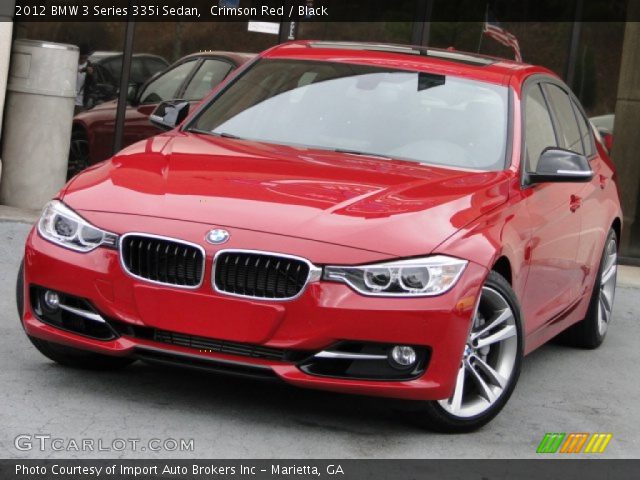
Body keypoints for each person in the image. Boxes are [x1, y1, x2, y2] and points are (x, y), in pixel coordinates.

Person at [75, 44, 94, 114]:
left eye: (85, 58)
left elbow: (93, 84)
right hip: (69, 98)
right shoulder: (72, 64)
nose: (82, 60)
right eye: (81, 58)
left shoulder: (91, 66)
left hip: (81, 101)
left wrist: (91, 75)